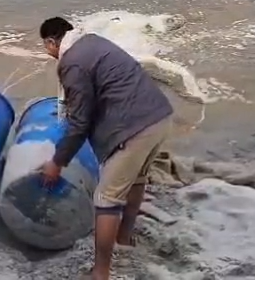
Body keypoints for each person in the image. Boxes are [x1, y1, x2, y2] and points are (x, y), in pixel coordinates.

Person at [38, 16, 173, 280]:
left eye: (45, 47)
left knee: (106, 199)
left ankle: (100, 273)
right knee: (136, 179)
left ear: (52, 42)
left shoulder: (72, 62)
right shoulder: (93, 42)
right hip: (160, 118)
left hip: (134, 129)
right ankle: (124, 237)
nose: (48, 53)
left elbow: (79, 121)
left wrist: (57, 162)